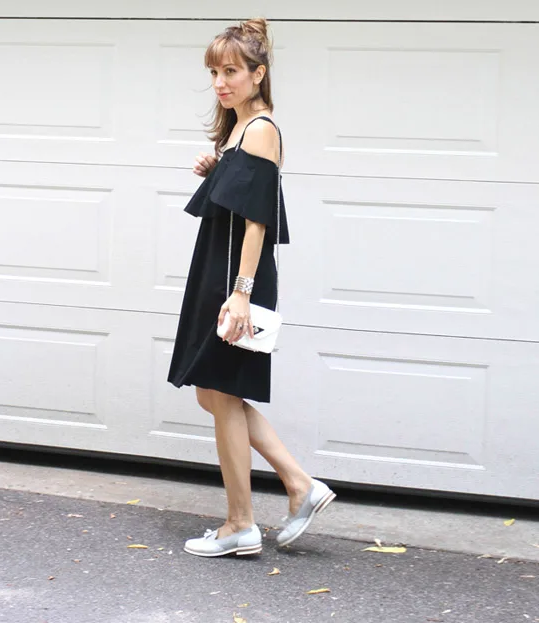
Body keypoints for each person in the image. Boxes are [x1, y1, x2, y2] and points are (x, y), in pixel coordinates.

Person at [167, 18, 335, 558]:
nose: (220, 81)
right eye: (215, 71)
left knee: (220, 391)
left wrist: (241, 292)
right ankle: (297, 485)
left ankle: (242, 520)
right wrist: (215, 169)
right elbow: (239, 199)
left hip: (236, 277)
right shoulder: (239, 130)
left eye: (232, 71)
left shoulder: (261, 128)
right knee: (215, 392)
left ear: (259, 74)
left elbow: (258, 220)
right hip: (219, 269)